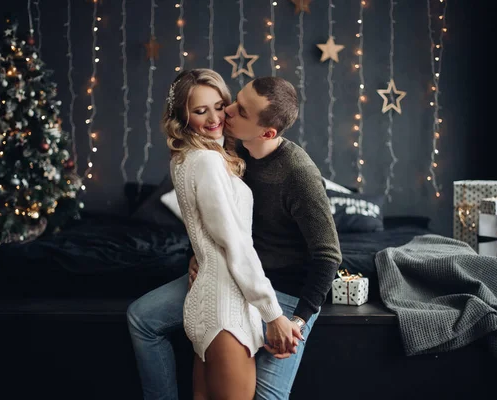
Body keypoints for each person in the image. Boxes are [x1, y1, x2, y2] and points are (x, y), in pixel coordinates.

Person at [127, 72, 342, 400]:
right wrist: (197, 253)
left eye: (237, 111)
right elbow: (214, 217)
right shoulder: (226, 151)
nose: (225, 114)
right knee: (142, 318)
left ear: (266, 131)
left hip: (283, 292)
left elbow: (328, 256)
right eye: (235, 102)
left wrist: (295, 320)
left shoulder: (299, 173)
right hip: (229, 276)